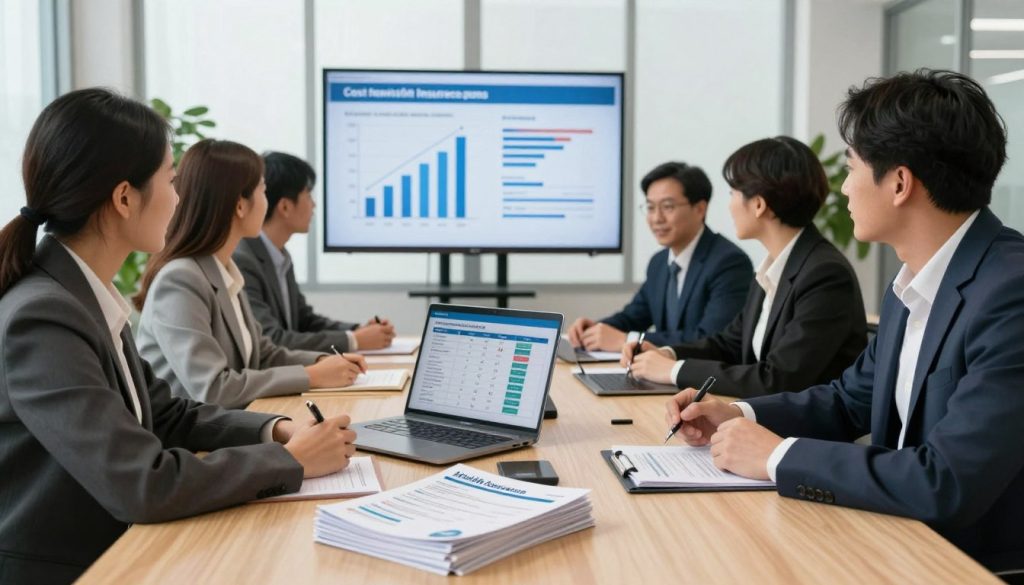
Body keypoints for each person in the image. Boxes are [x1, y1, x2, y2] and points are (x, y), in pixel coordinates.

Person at [664, 70, 1023, 571]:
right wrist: (739, 415)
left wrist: (776, 456)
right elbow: (849, 399)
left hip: (963, 563)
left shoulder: (1011, 290)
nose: (843, 189)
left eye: (851, 167)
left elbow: (947, 481)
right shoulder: (911, 282)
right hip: (890, 536)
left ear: (899, 183)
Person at [0, 88, 356, 584]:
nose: (179, 197)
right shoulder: (43, 317)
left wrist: (274, 430)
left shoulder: (82, 293)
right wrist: (286, 460)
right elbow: (141, 481)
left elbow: (167, 412)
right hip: (83, 568)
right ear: (124, 198)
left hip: (127, 547)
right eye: (170, 179)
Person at [622, 137, 867, 398]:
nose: (729, 205)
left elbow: (778, 379)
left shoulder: (824, 274)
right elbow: (730, 343)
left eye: (733, 194)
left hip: (799, 433)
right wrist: (667, 354)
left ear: (759, 204)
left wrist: (673, 370)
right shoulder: (773, 268)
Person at [135, 139, 367, 409]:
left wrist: (320, 362)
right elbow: (213, 389)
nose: (267, 203)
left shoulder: (223, 270)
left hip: (232, 425)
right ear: (240, 205)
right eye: (263, 191)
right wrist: (311, 375)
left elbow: (262, 353)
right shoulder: (181, 280)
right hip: (191, 445)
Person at [568, 162, 752, 351]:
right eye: (650, 207)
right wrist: (594, 330)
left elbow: (710, 338)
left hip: (700, 379)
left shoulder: (729, 263)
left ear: (700, 209)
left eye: (667, 206)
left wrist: (628, 340)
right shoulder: (659, 262)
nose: (657, 218)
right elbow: (633, 317)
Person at [233, 151, 395, 353]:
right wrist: (353, 340)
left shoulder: (279, 255)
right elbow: (271, 338)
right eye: (308, 195)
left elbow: (303, 320)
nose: (314, 205)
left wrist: (358, 330)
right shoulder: (243, 260)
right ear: (285, 206)